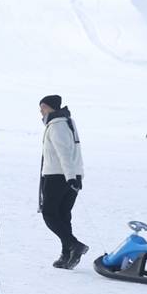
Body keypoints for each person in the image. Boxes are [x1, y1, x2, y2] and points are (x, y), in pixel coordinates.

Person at [38, 95, 87, 269]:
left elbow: (64, 153)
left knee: (49, 214)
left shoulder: (57, 126)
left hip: (57, 176)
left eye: (42, 107)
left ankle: (74, 245)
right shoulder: (68, 122)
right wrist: (76, 175)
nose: (40, 111)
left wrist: (70, 177)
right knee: (63, 215)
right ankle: (67, 255)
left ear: (50, 107)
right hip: (71, 174)